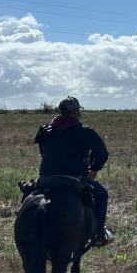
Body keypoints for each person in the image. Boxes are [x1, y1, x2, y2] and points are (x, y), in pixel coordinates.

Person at [34, 96, 113, 246]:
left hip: (46, 178)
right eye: (78, 111)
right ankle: (99, 234)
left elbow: (43, 152)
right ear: (75, 112)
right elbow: (103, 153)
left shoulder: (45, 130)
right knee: (102, 195)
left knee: (29, 192)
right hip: (74, 178)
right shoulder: (84, 131)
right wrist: (95, 168)